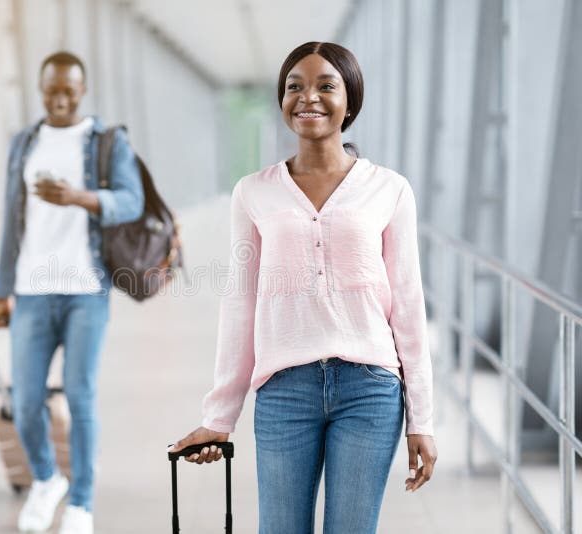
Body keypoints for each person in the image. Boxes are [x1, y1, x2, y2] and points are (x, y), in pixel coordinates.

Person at [169, 41, 438, 534]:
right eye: (295, 86)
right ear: (282, 100)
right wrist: (219, 417)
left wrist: (422, 417)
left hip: (370, 389)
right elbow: (240, 305)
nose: (307, 96)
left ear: (350, 102)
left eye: (325, 85)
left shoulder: (390, 189)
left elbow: (407, 304)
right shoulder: (253, 191)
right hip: (284, 391)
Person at [0, 51, 144, 534]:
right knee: (26, 400)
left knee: (80, 395)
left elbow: (131, 201)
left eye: (68, 89)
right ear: (41, 88)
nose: (59, 97)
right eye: (51, 89)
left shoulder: (106, 142)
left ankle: (81, 503)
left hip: (84, 289)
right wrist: (1, 289)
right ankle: (45, 479)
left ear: (82, 88)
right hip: (32, 291)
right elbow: (11, 223)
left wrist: (79, 198)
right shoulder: (24, 144)